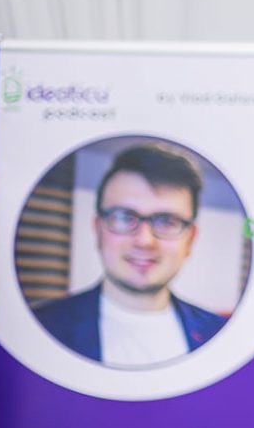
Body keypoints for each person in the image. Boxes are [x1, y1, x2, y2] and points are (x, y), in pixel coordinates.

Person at [35, 143, 226, 367]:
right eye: (124, 217)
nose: (144, 241)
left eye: (167, 221)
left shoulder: (221, 335)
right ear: (98, 230)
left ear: (190, 240)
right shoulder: (38, 329)